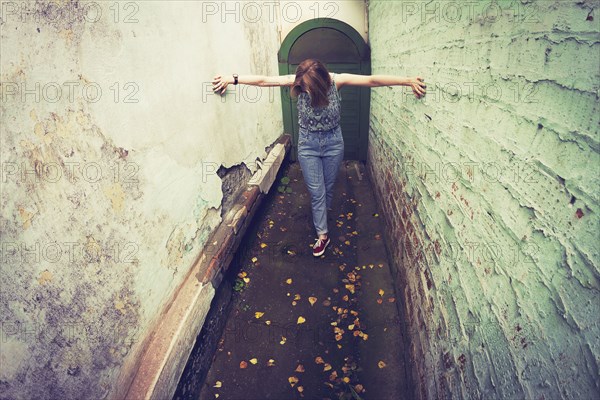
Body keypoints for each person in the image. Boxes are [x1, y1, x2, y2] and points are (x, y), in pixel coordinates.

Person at [212, 58, 426, 257]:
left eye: (309, 87)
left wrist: (408, 81)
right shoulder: (295, 82)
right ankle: (323, 235)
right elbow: (263, 80)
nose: (304, 90)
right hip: (308, 145)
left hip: (333, 144)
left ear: (322, 81)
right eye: (302, 86)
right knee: (317, 191)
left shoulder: (336, 81)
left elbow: (372, 80)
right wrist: (232, 79)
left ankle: (320, 212)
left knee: (328, 188)